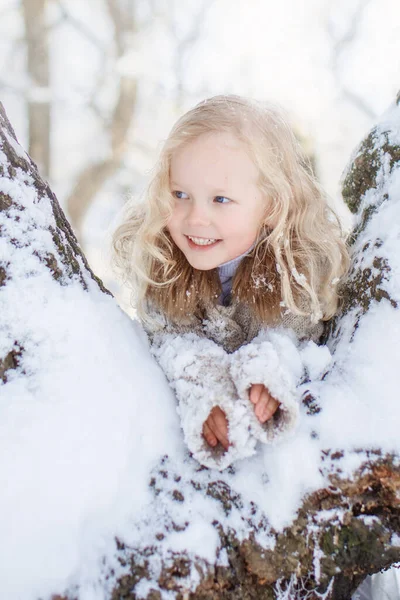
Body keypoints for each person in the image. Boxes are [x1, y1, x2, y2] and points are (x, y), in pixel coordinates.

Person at [112, 94, 349, 470]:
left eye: (220, 199)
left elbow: (296, 332)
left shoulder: (296, 265)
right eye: (180, 195)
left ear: (271, 205)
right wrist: (209, 393)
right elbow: (171, 339)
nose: (195, 218)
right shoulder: (161, 259)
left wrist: (266, 372)